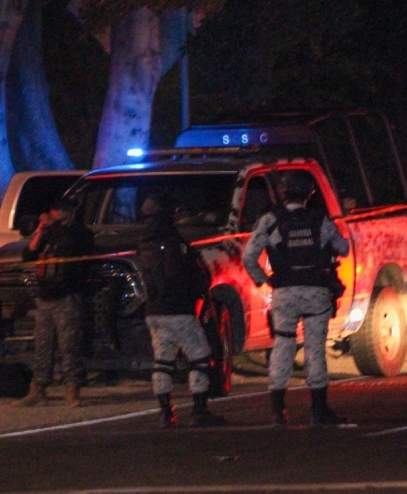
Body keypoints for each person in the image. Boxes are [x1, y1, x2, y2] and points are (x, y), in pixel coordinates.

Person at [242, 171, 350, 427]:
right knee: (314, 349)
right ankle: (319, 411)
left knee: (282, 345)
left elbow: (248, 257)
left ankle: (278, 412)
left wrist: (264, 279)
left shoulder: (270, 220)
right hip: (316, 291)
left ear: (283, 193)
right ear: (309, 193)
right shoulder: (319, 219)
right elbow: (343, 248)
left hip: (284, 292)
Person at [137, 194, 226, 428]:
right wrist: (199, 297)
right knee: (200, 359)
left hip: (153, 311)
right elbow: (196, 275)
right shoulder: (177, 243)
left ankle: (166, 413)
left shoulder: (143, 244)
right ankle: (199, 410)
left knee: (162, 361)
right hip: (179, 309)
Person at [14, 196, 94, 408]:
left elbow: (69, 245)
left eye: (58, 210)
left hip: (67, 297)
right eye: (53, 210)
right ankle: (38, 389)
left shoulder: (79, 234)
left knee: (69, 346)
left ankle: (72, 389)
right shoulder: (51, 232)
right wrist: (40, 230)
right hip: (45, 297)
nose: (54, 214)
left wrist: (52, 226)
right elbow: (28, 255)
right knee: (42, 345)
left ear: (68, 212)